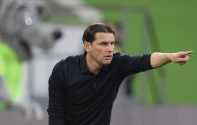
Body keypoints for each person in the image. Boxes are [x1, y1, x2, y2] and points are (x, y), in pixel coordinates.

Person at [47, 23, 192, 125]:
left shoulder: (117, 64)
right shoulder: (63, 70)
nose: (110, 49)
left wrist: (169, 56)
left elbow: (146, 60)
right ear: (87, 46)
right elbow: (55, 115)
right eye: (104, 44)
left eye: (112, 43)